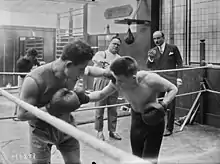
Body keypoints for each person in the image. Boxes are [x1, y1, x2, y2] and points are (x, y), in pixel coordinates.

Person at [17, 40, 112, 164]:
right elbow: (22, 115)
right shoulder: (35, 80)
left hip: (66, 127)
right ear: (68, 64)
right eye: (80, 70)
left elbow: (89, 70)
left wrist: (107, 74)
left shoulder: (72, 71)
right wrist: (50, 108)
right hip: (41, 132)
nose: (82, 74)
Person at [87, 56, 178, 164]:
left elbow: (173, 88)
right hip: (136, 120)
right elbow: (101, 94)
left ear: (133, 77)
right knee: (137, 158)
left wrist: (164, 104)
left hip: (154, 120)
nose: (117, 83)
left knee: (150, 160)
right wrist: (82, 98)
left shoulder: (150, 79)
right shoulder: (118, 81)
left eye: (120, 80)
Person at [146, 31, 183, 136]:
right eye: (154, 39)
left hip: (171, 80)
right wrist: (151, 58)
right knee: (158, 104)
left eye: (158, 38)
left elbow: (179, 63)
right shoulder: (152, 51)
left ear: (163, 37)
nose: (156, 41)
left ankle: (169, 128)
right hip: (159, 80)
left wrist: (179, 77)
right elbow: (148, 65)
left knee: (171, 104)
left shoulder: (173, 48)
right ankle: (157, 126)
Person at [92, 35, 122, 141]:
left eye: (118, 45)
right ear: (109, 43)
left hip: (114, 83)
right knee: (99, 108)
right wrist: (104, 63)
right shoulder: (101, 54)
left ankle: (112, 130)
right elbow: (96, 59)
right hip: (101, 81)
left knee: (113, 108)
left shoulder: (119, 58)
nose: (116, 46)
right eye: (114, 44)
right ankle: (99, 131)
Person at [14, 48, 40, 118]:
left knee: (31, 93)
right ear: (28, 55)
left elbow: (39, 65)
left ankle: (28, 110)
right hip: (22, 78)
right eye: (33, 57)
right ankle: (17, 112)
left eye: (35, 57)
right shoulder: (20, 62)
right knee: (21, 94)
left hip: (29, 77)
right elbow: (21, 75)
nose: (34, 59)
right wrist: (31, 72)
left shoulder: (33, 59)